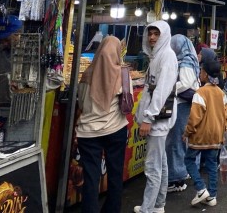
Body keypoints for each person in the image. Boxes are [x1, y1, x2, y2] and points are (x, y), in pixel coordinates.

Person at [76, 36, 128, 213]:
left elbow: (81, 104)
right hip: (115, 130)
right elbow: (126, 103)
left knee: (91, 177)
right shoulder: (121, 74)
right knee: (115, 174)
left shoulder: (87, 75)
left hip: (88, 133)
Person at [134, 21, 178, 213]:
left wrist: (148, 118)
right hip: (158, 119)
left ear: (164, 35)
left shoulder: (167, 56)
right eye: (150, 33)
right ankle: (158, 205)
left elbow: (161, 91)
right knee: (160, 162)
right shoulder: (156, 56)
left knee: (152, 167)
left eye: (156, 34)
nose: (152, 37)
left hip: (158, 120)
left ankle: (147, 209)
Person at [183, 59, 227, 207]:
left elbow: (194, 118)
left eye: (201, 71)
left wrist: (187, 132)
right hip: (216, 136)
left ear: (206, 74)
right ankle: (212, 196)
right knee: (211, 165)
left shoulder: (200, 92)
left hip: (200, 136)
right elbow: (226, 117)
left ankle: (201, 188)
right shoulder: (221, 93)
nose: (200, 73)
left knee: (189, 160)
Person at [166, 35, 201, 193]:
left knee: (177, 142)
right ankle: (183, 171)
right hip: (185, 105)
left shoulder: (185, 61)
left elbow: (186, 83)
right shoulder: (190, 59)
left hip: (181, 106)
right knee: (182, 140)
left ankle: (176, 177)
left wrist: (167, 87)